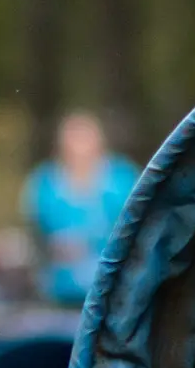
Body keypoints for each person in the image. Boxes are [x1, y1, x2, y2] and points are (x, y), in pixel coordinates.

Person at [21, 111, 141, 307]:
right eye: (73, 140)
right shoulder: (44, 183)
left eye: (85, 139)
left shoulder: (123, 179)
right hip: (61, 292)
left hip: (117, 288)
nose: (79, 148)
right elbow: (36, 236)